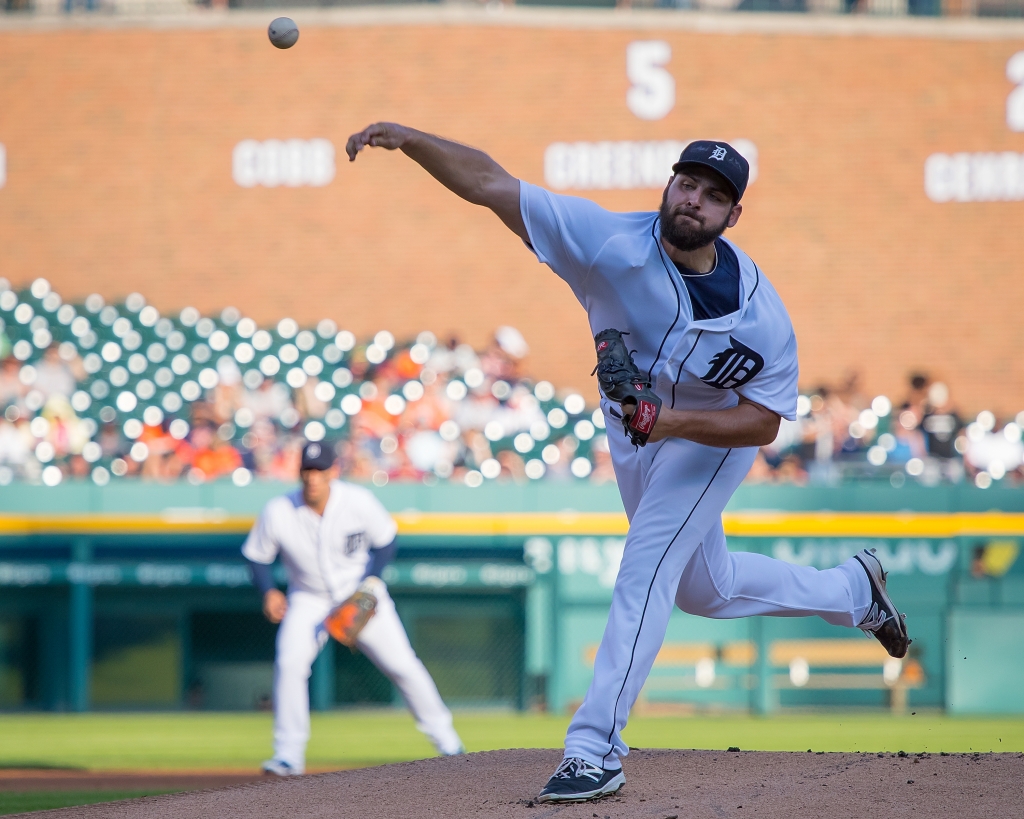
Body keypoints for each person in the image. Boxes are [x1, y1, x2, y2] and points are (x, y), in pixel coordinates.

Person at [345, 123, 911, 802]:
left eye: (714, 194)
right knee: (705, 588)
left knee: (644, 568)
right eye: (688, 182)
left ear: (733, 216)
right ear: (669, 185)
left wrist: (670, 421)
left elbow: (761, 421)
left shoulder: (761, 316)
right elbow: (491, 183)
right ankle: (855, 591)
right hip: (633, 431)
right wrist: (408, 139)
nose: (695, 198)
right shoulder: (607, 241)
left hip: (706, 439)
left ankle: (595, 749)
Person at [242, 440, 464, 776]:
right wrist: (269, 591)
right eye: (307, 470)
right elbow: (256, 556)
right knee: (289, 663)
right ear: (299, 472)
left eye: (319, 470)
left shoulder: (358, 502)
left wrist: (372, 583)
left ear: (333, 471)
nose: (312, 477)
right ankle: (288, 756)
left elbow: (387, 541)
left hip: (358, 594)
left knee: (403, 665)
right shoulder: (279, 510)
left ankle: (450, 745)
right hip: (308, 597)